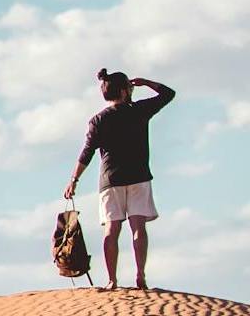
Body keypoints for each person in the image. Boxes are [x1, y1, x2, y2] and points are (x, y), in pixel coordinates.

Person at [64, 68, 175, 292]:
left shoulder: (98, 120)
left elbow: (87, 153)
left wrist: (74, 180)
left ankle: (112, 280)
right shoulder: (140, 110)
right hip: (138, 178)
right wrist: (145, 82)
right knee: (138, 228)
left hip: (110, 180)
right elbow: (168, 94)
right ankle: (140, 276)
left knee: (111, 230)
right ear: (124, 91)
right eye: (131, 88)